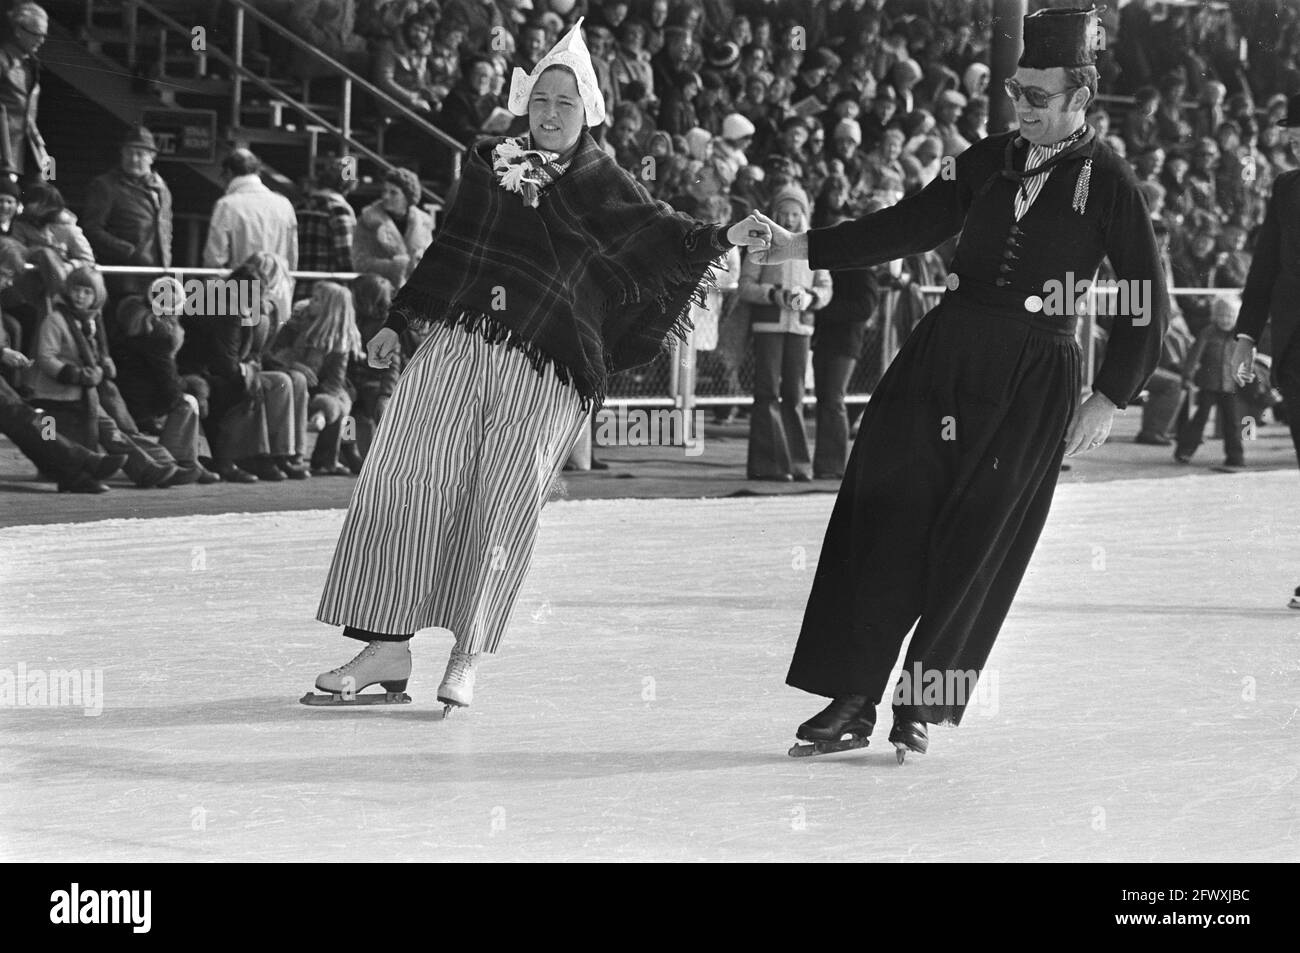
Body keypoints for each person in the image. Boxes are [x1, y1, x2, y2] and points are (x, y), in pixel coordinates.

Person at [311, 19, 771, 710]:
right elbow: (450, 253)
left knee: (499, 503)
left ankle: (467, 653)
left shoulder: (605, 182)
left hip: (547, 365)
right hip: (462, 343)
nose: (551, 115)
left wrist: (722, 235)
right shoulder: (489, 163)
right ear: (526, 104)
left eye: (566, 104)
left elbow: (664, 236)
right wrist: (399, 323)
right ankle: (386, 644)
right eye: (542, 102)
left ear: (588, 113)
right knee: (404, 476)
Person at [753, 7, 1167, 759]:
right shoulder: (981, 161)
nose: (1024, 106)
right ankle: (851, 698)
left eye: (1040, 96)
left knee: (977, 543)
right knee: (888, 517)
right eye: (1018, 91)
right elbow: (907, 224)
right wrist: (802, 247)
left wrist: (1109, 396)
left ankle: (921, 705)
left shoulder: (1110, 183)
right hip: (946, 354)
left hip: (1037, 376)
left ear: (1082, 96)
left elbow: (1147, 300)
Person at [739, 184, 831, 481]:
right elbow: (746, 286)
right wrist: (774, 294)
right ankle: (769, 465)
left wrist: (811, 297)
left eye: (795, 213)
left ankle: (797, 464)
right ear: (776, 213)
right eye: (785, 213)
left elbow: (826, 287)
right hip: (769, 325)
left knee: (794, 394)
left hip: (801, 327)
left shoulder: (814, 244)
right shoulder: (762, 241)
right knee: (767, 392)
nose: (790, 219)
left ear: (804, 214)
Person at [1230, 93, 1300, 473]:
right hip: (1295, 351)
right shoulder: (1286, 188)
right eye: (1293, 144)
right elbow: (1265, 269)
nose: (1298, 152)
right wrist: (1246, 337)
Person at [81, 126, 172, 296]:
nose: (134, 158)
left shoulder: (162, 189)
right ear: (122, 154)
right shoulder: (105, 186)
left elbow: (166, 231)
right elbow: (92, 229)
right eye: (129, 152)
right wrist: (128, 251)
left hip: (157, 276)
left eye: (140, 153)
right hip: (121, 277)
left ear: (152, 157)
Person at [1175, 295, 1244, 467]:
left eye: (1230, 317)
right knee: (1200, 418)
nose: (1225, 320)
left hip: (1230, 386)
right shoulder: (1208, 332)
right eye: (1222, 316)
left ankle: (1235, 457)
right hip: (1209, 384)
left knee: (1233, 423)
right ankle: (1184, 451)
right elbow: (1194, 356)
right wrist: (1187, 376)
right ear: (1215, 316)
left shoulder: (1240, 336)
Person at [202, 149, 299, 272]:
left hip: (241, 287)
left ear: (229, 172)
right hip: (278, 286)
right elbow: (292, 255)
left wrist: (213, 290)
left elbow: (214, 259)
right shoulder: (285, 204)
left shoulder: (227, 205)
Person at [352, 167, 434, 286]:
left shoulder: (423, 222)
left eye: (393, 192)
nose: (386, 196)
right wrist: (395, 267)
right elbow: (360, 262)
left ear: (408, 197)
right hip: (379, 293)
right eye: (384, 191)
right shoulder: (368, 220)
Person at [0, 2, 49, 179]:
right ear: (19, 31)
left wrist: (43, 153)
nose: (41, 40)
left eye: (44, 35)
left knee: (48, 181)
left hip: (28, 147)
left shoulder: (31, 65)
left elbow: (28, 116)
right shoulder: (3, 60)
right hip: (5, 152)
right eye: (37, 34)